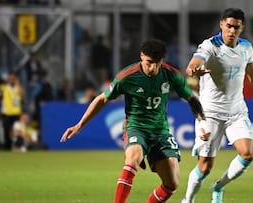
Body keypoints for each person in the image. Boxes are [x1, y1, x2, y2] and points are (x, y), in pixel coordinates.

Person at [60, 38, 210, 203]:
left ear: (163, 61)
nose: (152, 68)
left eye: (157, 63)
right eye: (148, 62)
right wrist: (80, 125)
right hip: (136, 128)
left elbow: (191, 99)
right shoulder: (127, 76)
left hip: (160, 132)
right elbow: (102, 99)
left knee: (172, 184)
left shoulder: (172, 75)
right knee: (133, 160)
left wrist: (202, 122)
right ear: (141, 56)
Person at [181, 8, 253, 203]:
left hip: (236, 112)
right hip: (210, 113)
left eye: (237, 27)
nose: (232, 30)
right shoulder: (210, 46)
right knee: (205, 167)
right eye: (229, 26)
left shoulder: (246, 48)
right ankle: (188, 200)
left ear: (242, 28)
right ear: (222, 25)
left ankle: (218, 187)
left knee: (248, 154)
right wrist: (194, 70)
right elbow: (193, 64)